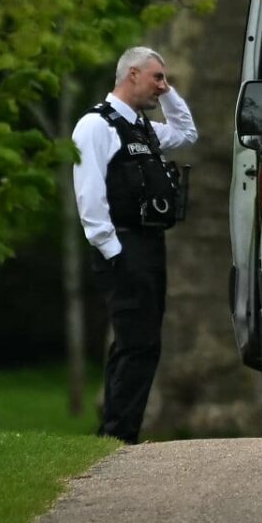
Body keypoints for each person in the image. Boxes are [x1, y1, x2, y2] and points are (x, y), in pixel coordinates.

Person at [72, 47, 198, 443]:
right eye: (157, 78)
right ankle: (118, 434)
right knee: (136, 342)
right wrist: (113, 252)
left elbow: (187, 132)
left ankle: (117, 431)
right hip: (122, 245)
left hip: (149, 243)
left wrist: (169, 92)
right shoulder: (96, 125)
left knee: (140, 341)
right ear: (131, 75)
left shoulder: (142, 128)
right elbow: (90, 197)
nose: (162, 86)